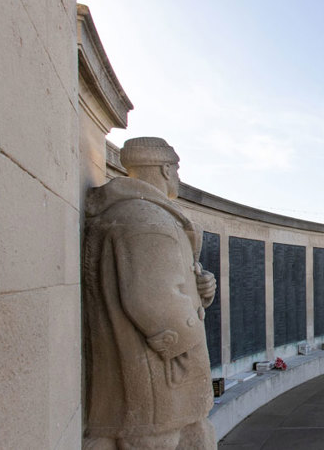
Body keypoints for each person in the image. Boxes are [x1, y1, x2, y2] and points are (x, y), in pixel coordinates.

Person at [83, 137, 217, 449]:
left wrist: (201, 289)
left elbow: (166, 281)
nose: (178, 178)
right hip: (162, 373)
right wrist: (187, 344)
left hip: (166, 374)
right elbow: (152, 299)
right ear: (165, 169)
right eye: (176, 169)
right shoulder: (148, 220)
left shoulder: (146, 215)